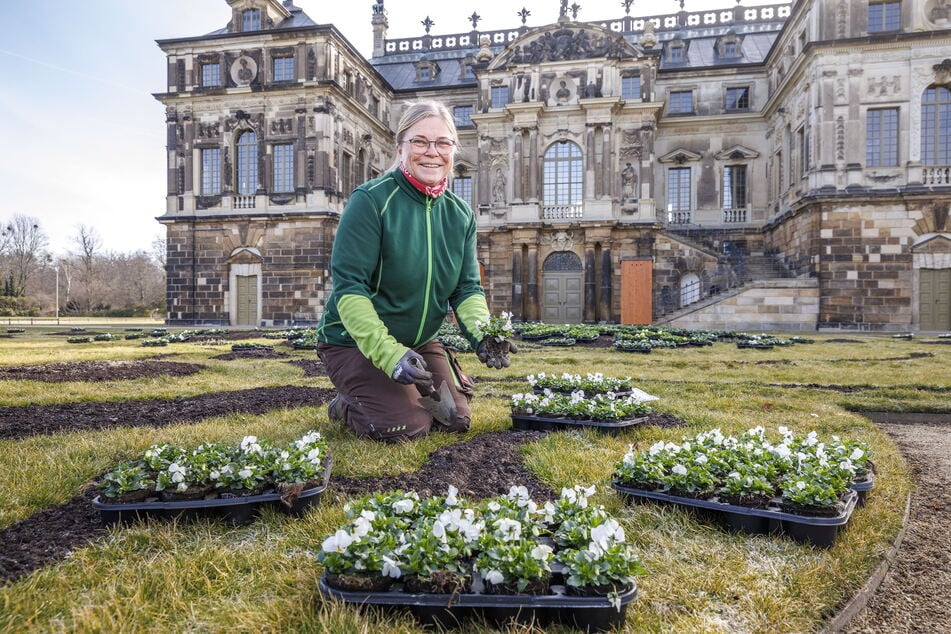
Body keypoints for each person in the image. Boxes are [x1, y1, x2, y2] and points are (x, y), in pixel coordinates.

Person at [317, 100, 515, 442]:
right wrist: (390, 355)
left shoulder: (461, 215)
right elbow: (350, 290)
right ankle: (345, 404)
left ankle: (400, 389)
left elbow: (466, 289)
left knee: (455, 419)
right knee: (408, 427)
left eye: (442, 143)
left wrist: (484, 334)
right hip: (355, 343)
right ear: (400, 147)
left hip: (420, 341)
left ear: (453, 149)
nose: (431, 152)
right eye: (419, 141)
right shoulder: (371, 201)